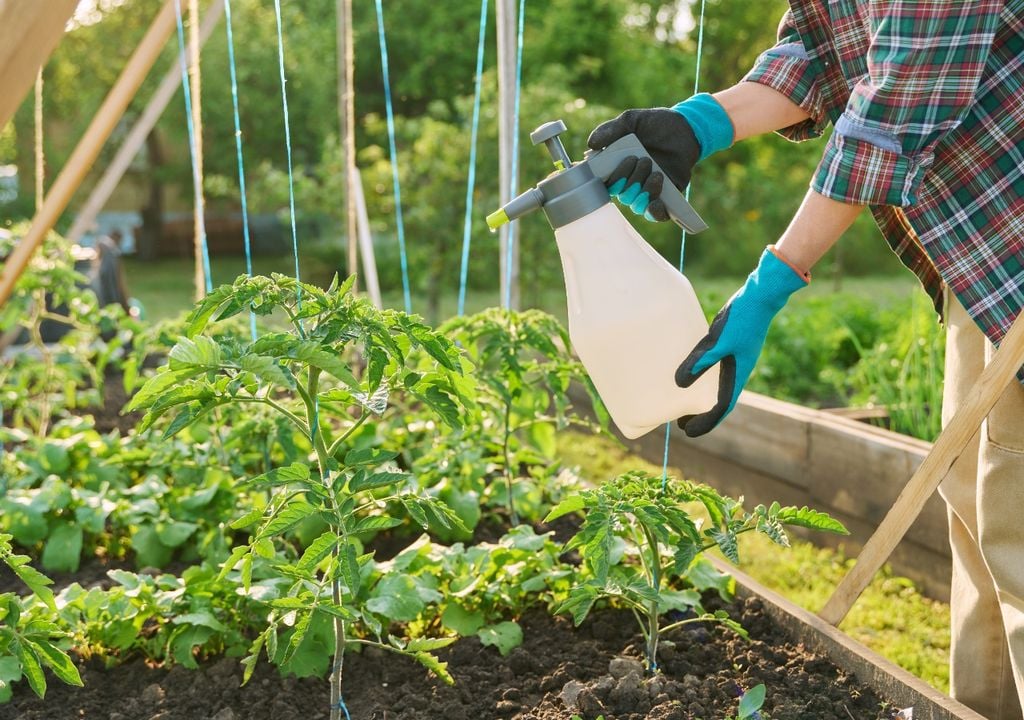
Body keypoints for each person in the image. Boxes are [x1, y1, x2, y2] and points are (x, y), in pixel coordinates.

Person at [587, 3, 1024, 718]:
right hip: (979, 259)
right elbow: (824, 49)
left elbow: (894, 104)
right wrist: (699, 121)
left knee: (1019, 522)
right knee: (973, 503)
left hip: (1010, 230)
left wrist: (766, 289)